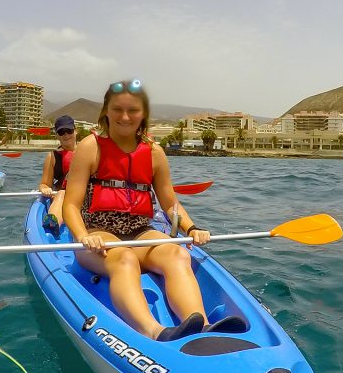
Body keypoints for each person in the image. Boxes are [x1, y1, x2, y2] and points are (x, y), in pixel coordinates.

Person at [63, 79, 244, 341]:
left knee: (177, 255)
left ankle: (201, 327)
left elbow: (170, 203)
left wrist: (191, 227)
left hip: (140, 232)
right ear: (106, 112)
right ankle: (153, 331)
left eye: (133, 110)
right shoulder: (90, 147)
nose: (125, 117)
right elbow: (70, 204)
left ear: (143, 114)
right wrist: (83, 236)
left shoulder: (154, 152)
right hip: (99, 234)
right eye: (117, 109)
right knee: (124, 259)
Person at [39, 115, 77, 237]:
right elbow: (44, 183)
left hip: (81, 196)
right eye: (61, 132)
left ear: (75, 131)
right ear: (57, 135)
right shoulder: (52, 157)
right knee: (61, 193)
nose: (66, 135)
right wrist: (45, 188)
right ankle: (52, 223)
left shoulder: (87, 152)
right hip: (61, 195)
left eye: (69, 131)